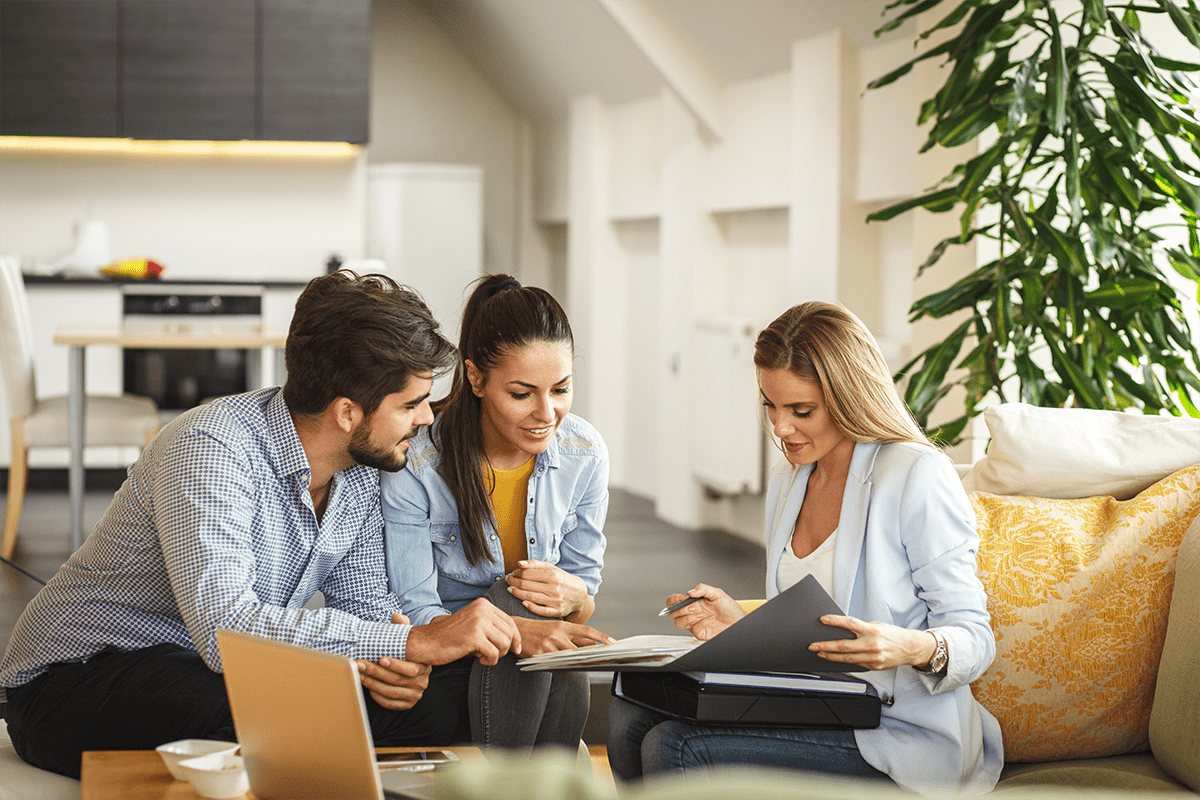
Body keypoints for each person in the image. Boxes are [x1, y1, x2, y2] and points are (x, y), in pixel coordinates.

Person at [0, 271, 522, 779]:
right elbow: (224, 628)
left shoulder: (364, 469)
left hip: (208, 670)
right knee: (278, 707)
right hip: (73, 680)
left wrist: (393, 662)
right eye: (411, 404)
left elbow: (366, 608)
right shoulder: (211, 447)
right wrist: (411, 645)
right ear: (346, 412)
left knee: (436, 704)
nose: (428, 417)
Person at [607, 301, 1003, 795]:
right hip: (818, 707)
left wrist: (909, 646)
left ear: (850, 396)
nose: (779, 427)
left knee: (677, 745)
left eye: (801, 411)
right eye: (770, 404)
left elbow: (975, 639)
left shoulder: (915, 475)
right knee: (627, 717)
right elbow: (812, 623)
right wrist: (740, 623)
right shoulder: (790, 480)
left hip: (897, 732)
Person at [381, 274, 612, 751]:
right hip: (451, 656)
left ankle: (527, 781)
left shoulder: (584, 453)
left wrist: (573, 596)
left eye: (561, 389)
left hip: (537, 659)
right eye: (522, 394)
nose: (547, 413)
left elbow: (582, 601)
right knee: (511, 600)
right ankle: (546, 776)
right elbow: (415, 609)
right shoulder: (419, 462)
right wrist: (514, 629)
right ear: (476, 378)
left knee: (539, 613)